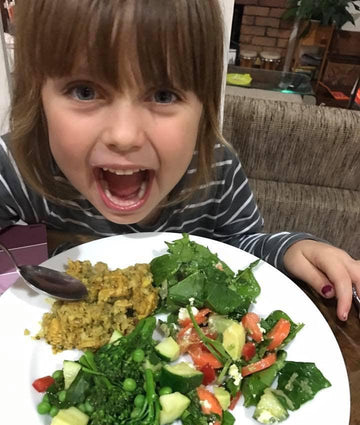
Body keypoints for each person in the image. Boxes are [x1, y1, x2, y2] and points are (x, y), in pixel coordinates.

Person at [0, 0, 358, 321]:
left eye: (163, 94)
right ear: (37, 95)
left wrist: (290, 248)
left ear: (204, 107)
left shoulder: (216, 170)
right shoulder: (22, 162)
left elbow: (243, 246)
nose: (124, 136)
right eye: (85, 91)